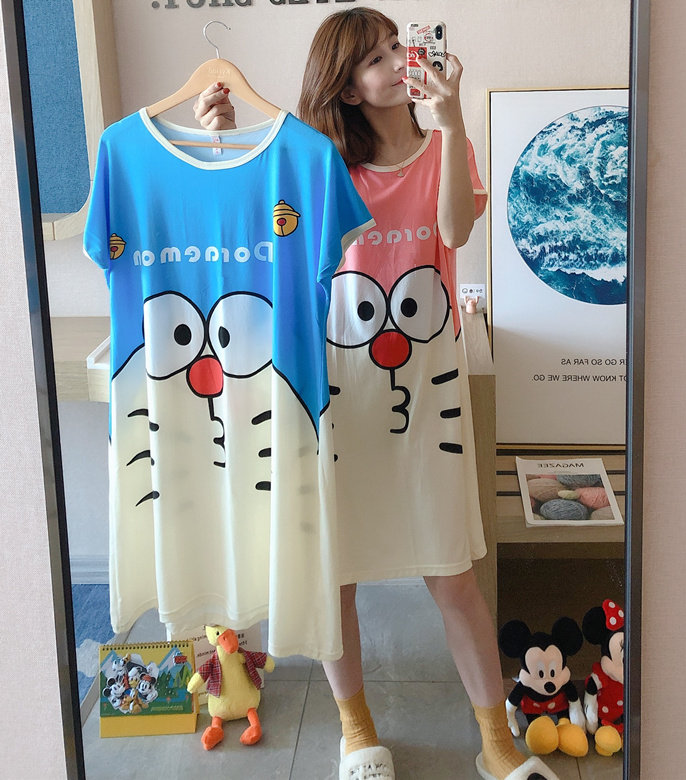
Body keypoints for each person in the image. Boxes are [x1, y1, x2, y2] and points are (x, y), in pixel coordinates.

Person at [195, 9, 555, 780]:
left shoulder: (445, 148)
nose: (397, 60)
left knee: (452, 576)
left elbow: (454, 233)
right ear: (349, 88)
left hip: (429, 390)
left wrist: (451, 125)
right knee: (338, 575)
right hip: (338, 389)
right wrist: (220, 144)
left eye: (398, 45)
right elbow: (245, 217)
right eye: (375, 56)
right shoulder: (320, 165)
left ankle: (497, 743)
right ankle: (357, 733)